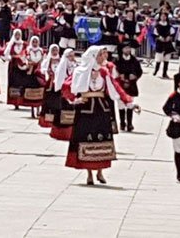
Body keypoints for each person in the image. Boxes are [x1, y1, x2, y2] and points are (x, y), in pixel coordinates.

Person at [64, 45, 133, 185]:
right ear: (94, 57)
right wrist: (74, 99)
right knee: (86, 139)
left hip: (101, 109)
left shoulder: (104, 72)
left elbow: (115, 87)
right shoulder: (80, 71)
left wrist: (128, 101)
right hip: (85, 109)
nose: (104, 57)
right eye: (101, 55)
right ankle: (89, 173)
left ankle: (100, 171)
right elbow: (67, 86)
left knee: (101, 139)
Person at [113, 41, 142, 132]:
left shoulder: (134, 60)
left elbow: (139, 71)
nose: (128, 50)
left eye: (129, 48)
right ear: (121, 50)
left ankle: (129, 124)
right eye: (125, 48)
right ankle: (122, 123)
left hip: (131, 84)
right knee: (121, 104)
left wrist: (135, 77)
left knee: (130, 104)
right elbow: (114, 72)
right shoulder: (117, 60)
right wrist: (122, 77)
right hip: (120, 85)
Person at [49, 49, 77, 141]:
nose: (72, 57)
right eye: (70, 56)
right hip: (64, 93)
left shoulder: (75, 66)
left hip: (73, 92)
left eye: (73, 55)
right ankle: (61, 133)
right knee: (62, 113)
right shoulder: (62, 66)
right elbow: (59, 80)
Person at [39, 44, 62, 128]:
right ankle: (48, 121)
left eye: (56, 50)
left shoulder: (61, 61)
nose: (55, 52)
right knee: (49, 102)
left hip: (58, 85)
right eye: (53, 50)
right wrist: (47, 72)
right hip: (50, 84)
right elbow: (42, 70)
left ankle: (57, 121)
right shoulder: (47, 61)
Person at [4, 29, 28, 110]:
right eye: (16, 35)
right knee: (13, 83)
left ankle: (21, 101)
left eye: (19, 34)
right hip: (13, 66)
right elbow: (5, 54)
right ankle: (14, 102)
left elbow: (27, 53)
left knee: (21, 83)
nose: (17, 36)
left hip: (21, 67)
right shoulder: (10, 44)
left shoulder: (24, 44)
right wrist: (11, 58)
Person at [152, 9, 175, 78]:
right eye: (162, 16)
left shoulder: (169, 26)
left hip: (167, 43)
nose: (163, 17)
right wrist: (159, 37)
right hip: (160, 43)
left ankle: (164, 73)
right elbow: (154, 34)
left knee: (167, 59)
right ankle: (156, 70)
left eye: (165, 16)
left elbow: (172, 33)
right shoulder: (157, 26)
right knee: (158, 58)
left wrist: (169, 37)